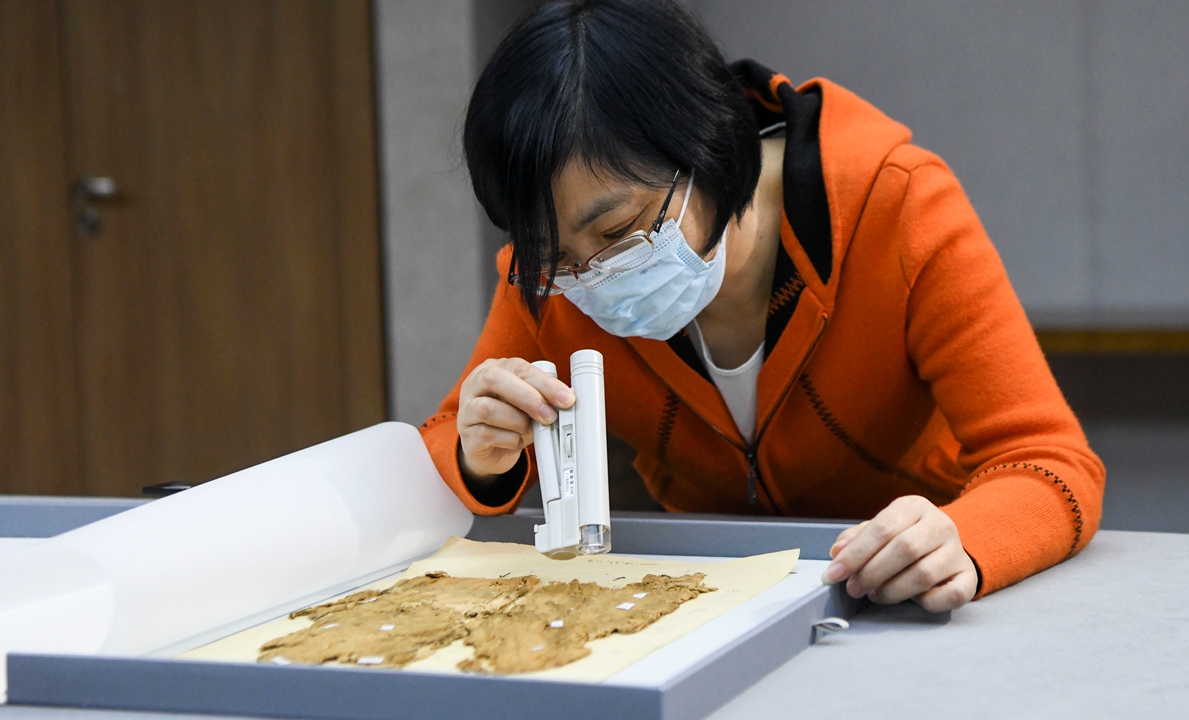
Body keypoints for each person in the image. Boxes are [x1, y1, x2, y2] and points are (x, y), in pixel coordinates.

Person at [419, 0, 1104, 612]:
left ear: (705, 150)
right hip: (717, 604)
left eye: (618, 233)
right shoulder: (550, 282)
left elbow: (1051, 461)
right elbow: (447, 437)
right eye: (553, 250)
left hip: (903, 596)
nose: (592, 276)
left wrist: (965, 536)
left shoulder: (897, 207)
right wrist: (484, 453)